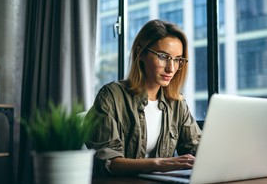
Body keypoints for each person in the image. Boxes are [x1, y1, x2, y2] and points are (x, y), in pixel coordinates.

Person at [85, 19, 202, 176]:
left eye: (177, 59)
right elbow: (107, 161)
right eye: (163, 56)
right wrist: (158, 164)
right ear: (141, 53)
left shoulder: (177, 103)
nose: (171, 68)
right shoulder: (111, 96)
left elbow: (196, 147)